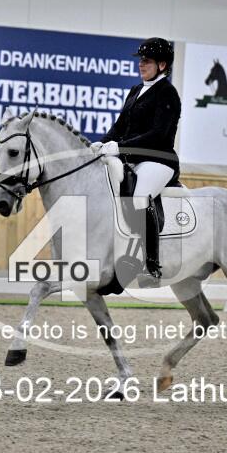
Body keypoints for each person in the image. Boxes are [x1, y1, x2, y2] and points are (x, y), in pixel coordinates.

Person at [91, 37, 181, 280]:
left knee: (140, 196)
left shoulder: (168, 93)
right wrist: (102, 142)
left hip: (159, 159)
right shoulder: (135, 90)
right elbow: (119, 126)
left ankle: (151, 261)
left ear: (162, 65)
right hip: (132, 156)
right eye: (141, 60)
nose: (141, 64)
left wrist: (119, 147)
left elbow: (158, 135)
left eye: (147, 61)